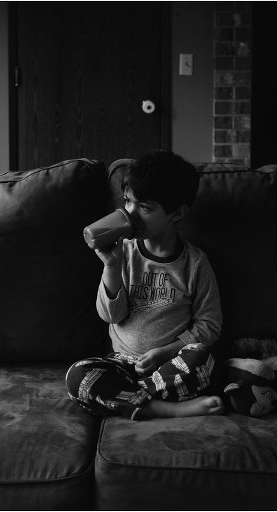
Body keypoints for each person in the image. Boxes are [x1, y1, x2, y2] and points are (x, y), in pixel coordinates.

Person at [66, 150, 224, 420]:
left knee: (203, 359)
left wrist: (167, 352)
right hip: (123, 364)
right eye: (128, 201)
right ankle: (162, 408)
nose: (131, 213)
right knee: (78, 375)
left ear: (177, 213)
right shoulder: (123, 253)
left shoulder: (195, 263)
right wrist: (111, 266)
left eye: (145, 207)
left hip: (172, 363)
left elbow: (209, 325)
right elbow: (110, 316)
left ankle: (130, 400)